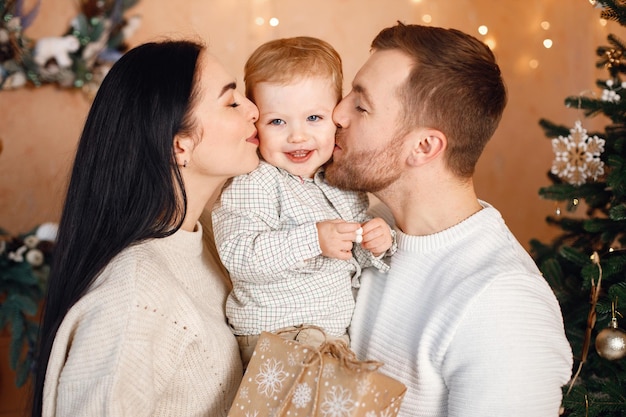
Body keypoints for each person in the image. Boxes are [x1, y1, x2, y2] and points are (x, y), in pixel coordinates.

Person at [325, 22, 573, 417]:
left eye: (361, 105)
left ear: (424, 146)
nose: (336, 113)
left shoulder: (502, 306)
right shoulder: (362, 226)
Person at [31, 39, 260, 417]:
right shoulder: (132, 294)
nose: (254, 110)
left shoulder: (209, 243)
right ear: (178, 146)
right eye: (232, 101)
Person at [212, 36, 395, 368]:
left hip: (330, 335)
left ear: (335, 118)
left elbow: (350, 260)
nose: (297, 136)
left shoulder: (342, 184)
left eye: (313, 118)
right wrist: (314, 238)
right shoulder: (256, 180)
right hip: (280, 334)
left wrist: (375, 243)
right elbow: (239, 254)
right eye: (278, 121)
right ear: (256, 125)